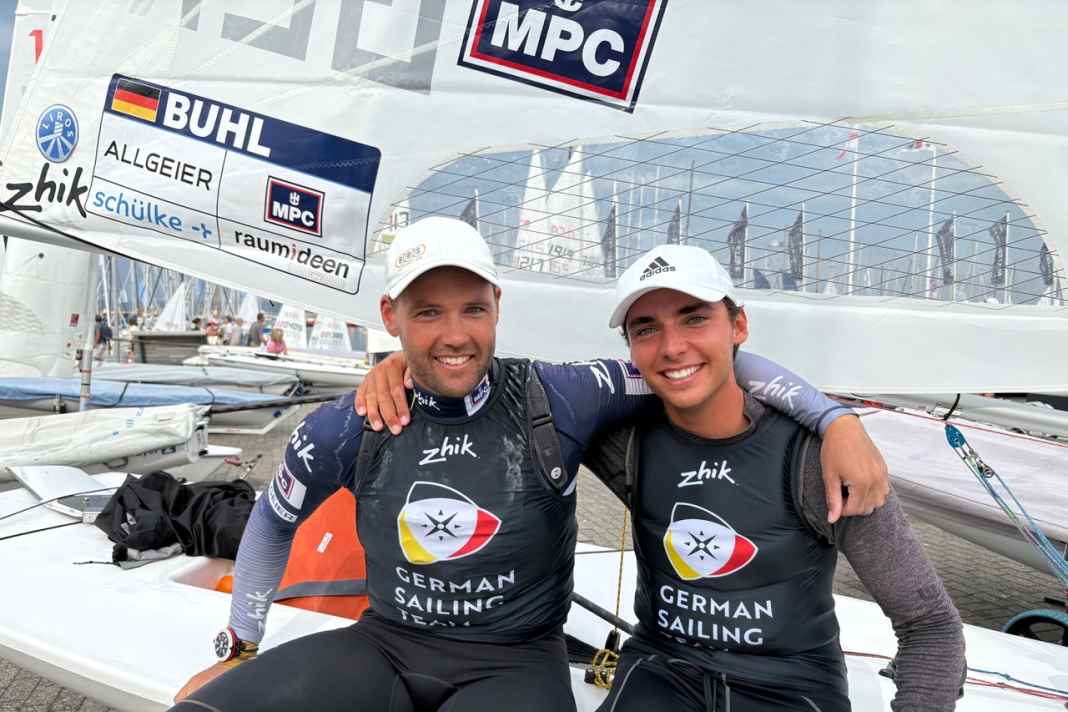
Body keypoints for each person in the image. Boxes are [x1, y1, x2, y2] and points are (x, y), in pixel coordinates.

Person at [172, 218, 888, 712]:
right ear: (391, 316)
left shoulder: (559, 396)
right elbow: (272, 522)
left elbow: (695, 362)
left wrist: (833, 417)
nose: (455, 335)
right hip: (384, 646)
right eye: (428, 314)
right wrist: (242, 644)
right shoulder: (350, 421)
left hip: (514, 664)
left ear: (497, 306)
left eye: (471, 310)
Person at [582, 245, 964, 711]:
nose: (672, 345)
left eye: (694, 317)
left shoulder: (820, 458)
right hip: (661, 673)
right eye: (646, 329)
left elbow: (930, 626)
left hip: (789, 688)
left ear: (739, 325)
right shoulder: (625, 441)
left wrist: (835, 422)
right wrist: (834, 414)